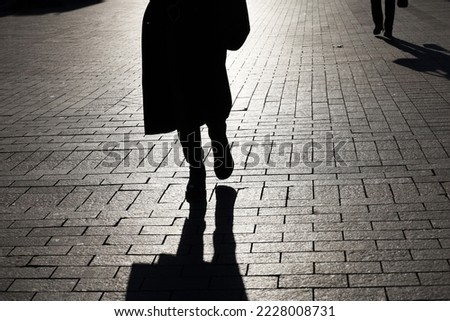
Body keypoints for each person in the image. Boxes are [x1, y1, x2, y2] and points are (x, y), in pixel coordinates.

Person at [141, 0, 250, 202]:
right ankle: (196, 171)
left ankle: (219, 139)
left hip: (208, 24)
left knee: (212, 95)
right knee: (182, 104)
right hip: (177, 23)